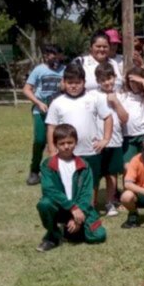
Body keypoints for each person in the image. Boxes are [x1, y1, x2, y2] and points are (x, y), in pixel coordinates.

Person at [45, 62, 113, 207]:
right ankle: (69, 210)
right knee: (68, 182)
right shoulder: (57, 103)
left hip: (91, 151)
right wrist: (52, 149)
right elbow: (51, 126)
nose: (74, 86)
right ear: (63, 82)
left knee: (91, 182)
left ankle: (90, 208)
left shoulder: (94, 98)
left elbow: (108, 117)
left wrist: (106, 139)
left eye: (77, 82)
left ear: (84, 82)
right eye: (70, 83)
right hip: (66, 152)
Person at [35, 124, 107, 252]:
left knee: (98, 236)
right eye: (62, 143)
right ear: (55, 144)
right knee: (44, 204)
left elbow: (86, 194)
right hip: (60, 207)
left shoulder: (84, 165)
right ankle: (53, 234)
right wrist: (72, 207)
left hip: (79, 208)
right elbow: (49, 190)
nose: (66, 146)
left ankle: (69, 230)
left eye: (70, 142)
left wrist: (77, 217)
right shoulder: (48, 164)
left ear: (76, 142)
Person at [23, 45, 65, 185]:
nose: (52, 58)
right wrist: (38, 103)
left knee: (58, 141)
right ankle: (34, 171)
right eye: (48, 55)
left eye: (55, 55)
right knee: (40, 140)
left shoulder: (64, 70)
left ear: (60, 55)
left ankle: (58, 171)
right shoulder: (39, 70)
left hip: (58, 110)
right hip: (41, 110)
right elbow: (27, 89)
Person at [94, 62, 129, 217]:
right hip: (96, 142)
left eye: (109, 78)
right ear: (97, 81)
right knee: (94, 175)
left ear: (115, 77)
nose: (107, 83)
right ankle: (91, 205)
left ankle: (110, 203)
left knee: (112, 175)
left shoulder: (121, 95)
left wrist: (115, 101)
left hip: (115, 141)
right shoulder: (93, 96)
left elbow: (124, 118)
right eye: (103, 80)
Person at [116, 68, 144, 165]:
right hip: (128, 135)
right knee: (128, 165)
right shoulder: (123, 96)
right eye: (131, 82)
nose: (134, 84)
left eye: (136, 82)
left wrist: (143, 81)